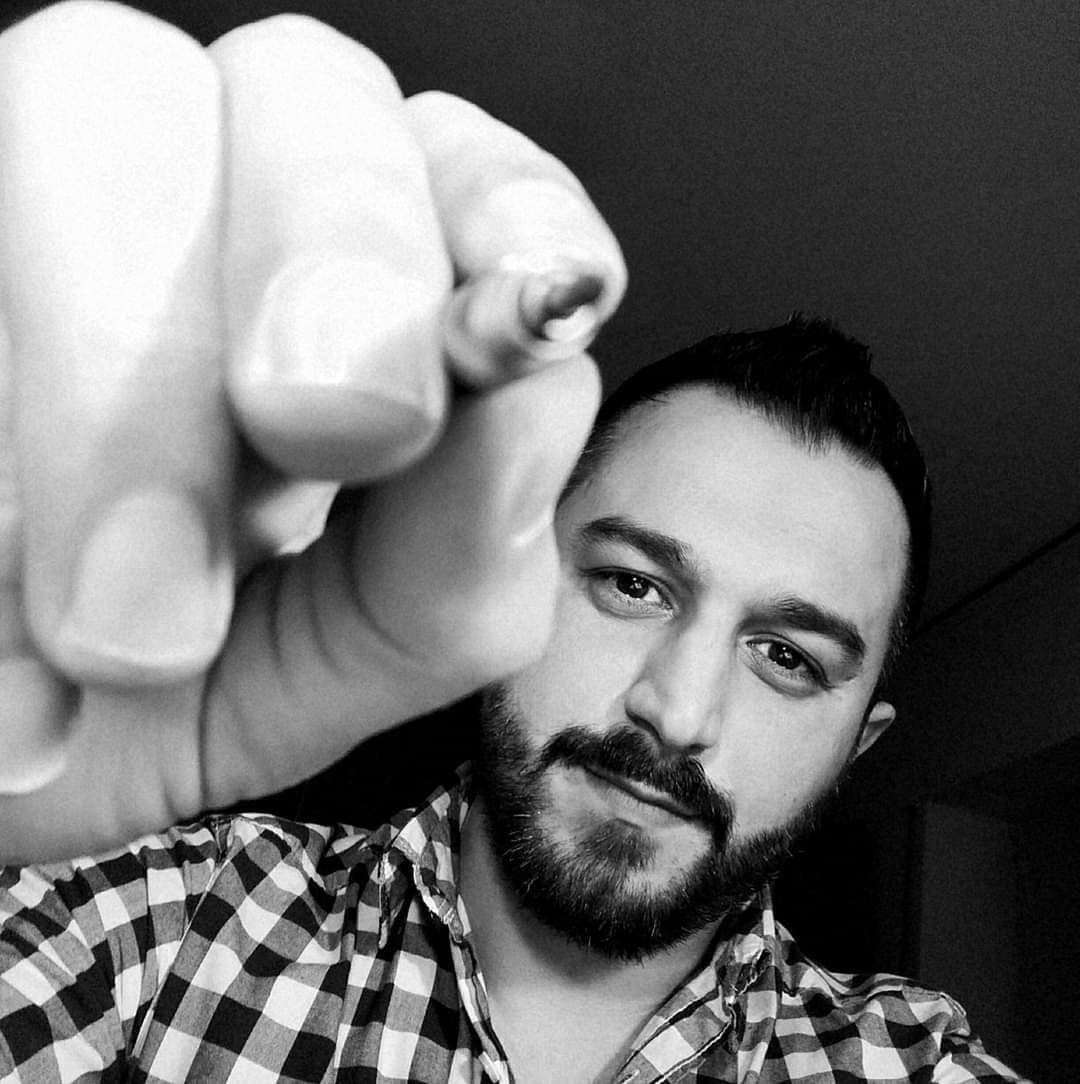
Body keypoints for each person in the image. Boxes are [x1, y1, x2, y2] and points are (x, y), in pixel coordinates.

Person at [0, 5, 1028, 1083]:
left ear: (856, 749)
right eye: (632, 584)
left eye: (787, 656)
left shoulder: (910, 1065)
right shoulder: (153, 927)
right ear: (521, 571)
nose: (678, 710)